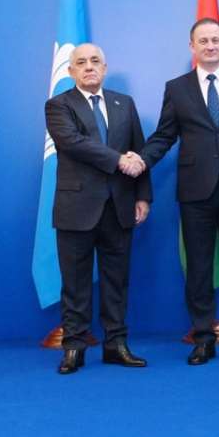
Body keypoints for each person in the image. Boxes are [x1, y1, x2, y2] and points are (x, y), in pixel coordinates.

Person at [126, 18, 219, 365]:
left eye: (215, 40)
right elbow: (165, 135)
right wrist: (141, 159)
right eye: (203, 41)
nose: (210, 46)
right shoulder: (177, 88)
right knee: (198, 269)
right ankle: (203, 339)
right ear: (191, 46)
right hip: (196, 192)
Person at [45, 43, 152, 375]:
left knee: (116, 282)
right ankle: (74, 348)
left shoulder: (124, 103)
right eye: (81, 62)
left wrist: (143, 196)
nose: (89, 66)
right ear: (71, 71)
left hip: (119, 206)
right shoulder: (58, 105)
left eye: (95, 61)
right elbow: (73, 143)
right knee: (75, 283)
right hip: (76, 207)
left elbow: (138, 150)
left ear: (104, 69)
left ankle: (116, 345)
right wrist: (119, 160)